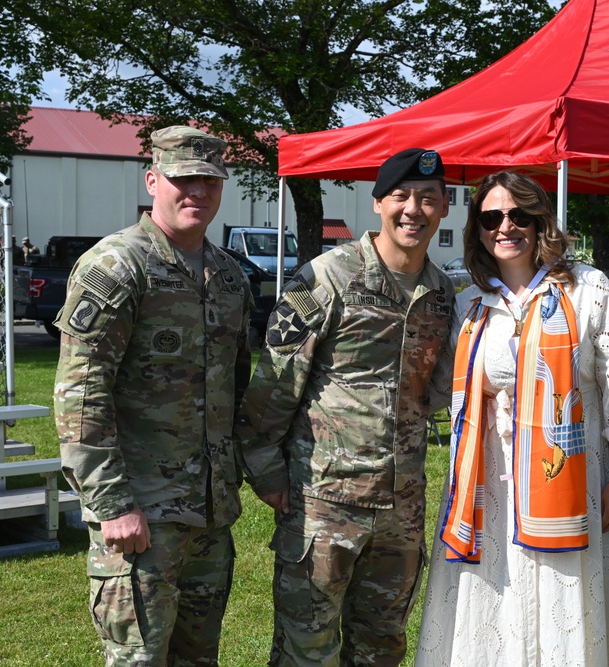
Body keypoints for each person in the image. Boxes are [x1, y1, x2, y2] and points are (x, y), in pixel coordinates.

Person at [414, 170, 609, 666]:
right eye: (492, 217)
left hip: (569, 482)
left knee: (565, 601)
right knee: (492, 603)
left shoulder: (587, 289)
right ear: (477, 228)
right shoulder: (469, 302)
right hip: (489, 489)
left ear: (541, 220)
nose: (506, 226)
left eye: (519, 214)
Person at [235, 148, 455, 666]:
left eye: (428, 199)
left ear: (444, 208)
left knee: (381, 648)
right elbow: (272, 386)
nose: (413, 210)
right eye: (401, 196)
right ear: (378, 202)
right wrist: (268, 476)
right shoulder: (328, 278)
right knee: (306, 649)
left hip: (400, 509)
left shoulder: (442, 293)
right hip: (322, 503)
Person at [54, 126, 253, 666]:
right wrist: (113, 504)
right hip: (142, 512)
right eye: (183, 179)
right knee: (139, 658)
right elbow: (80, 395)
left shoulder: (228, 276)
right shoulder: (118, 266)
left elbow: (236, 389)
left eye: (209, 182)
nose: (198, 193)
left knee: (197, 657)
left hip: (209, 514)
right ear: (153, 180)